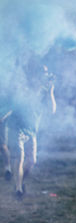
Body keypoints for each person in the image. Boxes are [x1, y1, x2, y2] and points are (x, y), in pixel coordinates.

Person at [7, 62, 57, 198]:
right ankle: (18, 189)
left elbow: (52, 110)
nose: (46, 75)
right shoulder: (24, 87)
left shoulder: (45, 92)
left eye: (46, 73)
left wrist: (51, 92)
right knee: (19, 157)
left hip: (31, 131)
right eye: (43, 73)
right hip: (17, 127)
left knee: (32, 161)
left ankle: (20, 182)